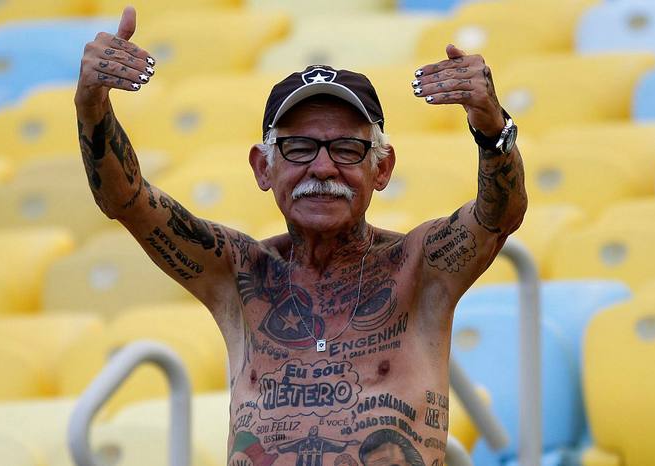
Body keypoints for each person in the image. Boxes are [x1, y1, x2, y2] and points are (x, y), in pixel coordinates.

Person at [75, 6, 526, 466]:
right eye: (299, 148)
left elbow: (500, 215)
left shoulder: (420, 267)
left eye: (347, 148)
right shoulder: (238, 272)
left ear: (382, 168)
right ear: (263, 167)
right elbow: (126, 199)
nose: (323, 167)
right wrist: (91, 105)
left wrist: (492, 128)